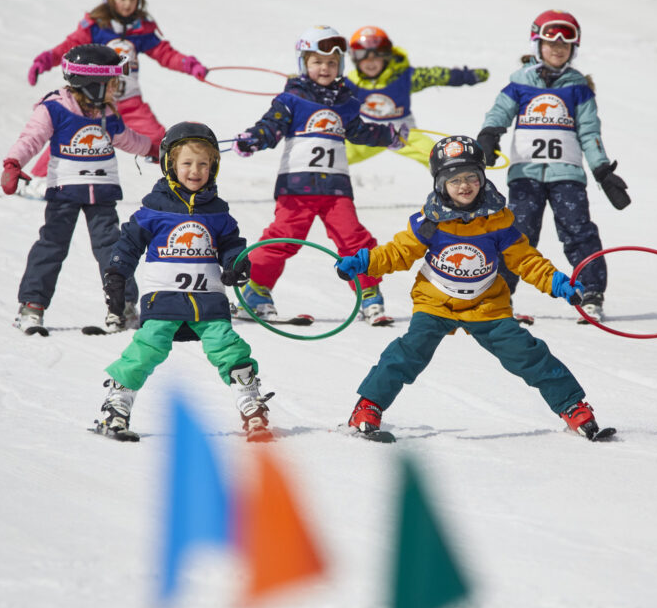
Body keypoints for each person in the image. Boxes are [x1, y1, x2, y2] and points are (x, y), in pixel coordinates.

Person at [334, 135, 614, 441]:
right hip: (436, 302)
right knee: (408, 352)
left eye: (471, 177)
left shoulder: (498, 221)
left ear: (482, 178)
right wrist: (362, 262)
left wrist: (559, 284)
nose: (464, 185)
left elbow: (526, 260)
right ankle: (368, 407)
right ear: (440, 184)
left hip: (486, 304)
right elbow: (396, 253)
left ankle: (573, 407)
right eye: (454, 179)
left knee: (527, 354)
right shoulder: (430, 222)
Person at [94, 122, 274, 442]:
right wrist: (117, 273)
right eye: (187, 163)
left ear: (213, 167)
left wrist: (236, 263)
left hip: (208, 301)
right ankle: (117, 404)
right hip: (164, 299)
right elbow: (128, 244)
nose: (196, 171)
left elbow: (232, 243)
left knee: (228, 347)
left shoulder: (218, 212)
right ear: (170, 165)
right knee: (148, 347)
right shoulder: (154, 209)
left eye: (204, 164)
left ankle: (251, 406)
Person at [232, 25, 406, 326]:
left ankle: (369, 294)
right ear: (304, 64)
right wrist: (252, 139)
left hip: (336, 190)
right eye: (317, 62)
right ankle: (255, 292)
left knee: (354, 239)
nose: (324, 68)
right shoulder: (292, 100)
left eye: (331, 63)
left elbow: (361, 132)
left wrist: (388, 136)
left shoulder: (346, 103)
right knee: (283, 239)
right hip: (297, 189)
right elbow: (270, 127)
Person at [476, 10, 630, 325]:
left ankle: (591, 294)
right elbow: (499, 113)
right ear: (538, 44)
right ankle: (500, 298)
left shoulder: (578, 89)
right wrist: (489, 136)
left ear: (573, 50)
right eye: (550, 43)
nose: (557, 49)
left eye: (564, 45)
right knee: (517, 234)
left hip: (567, 177)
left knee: (578, 231)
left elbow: (590, 133)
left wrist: (602, 171)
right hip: (525, 175)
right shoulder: (520, 83)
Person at [3, 44, 159, 336]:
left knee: (113, 249)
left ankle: (123, 306)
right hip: (64, 192)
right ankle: (31, 306)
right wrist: (13, 163)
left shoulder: (107, 114)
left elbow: (126, 139)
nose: (118, 89)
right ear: (92, 85)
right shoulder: (54, 109)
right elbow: (31, 139)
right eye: (113, 83)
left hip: (101, 194)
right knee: (51, 246)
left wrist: (153, 150)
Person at [23, 0, 207, 196]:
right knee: (69, 135)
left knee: (158, 140)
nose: (128, 4)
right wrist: (45, 60)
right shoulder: (96, 26)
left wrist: (188, 65)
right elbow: (68, 47)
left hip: (130, 102)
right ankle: (36, 180)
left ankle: (183, 183)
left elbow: (164, 53)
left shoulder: (141, 29)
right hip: (94, 100)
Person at [344, 25, 488, 167]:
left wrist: (464, 76)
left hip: (403, 133)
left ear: (387, 55)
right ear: (355, 58)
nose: (370, 63)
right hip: (368, 133)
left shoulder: (404, 77)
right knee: (335, 156)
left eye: (377, 55)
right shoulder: (351, 83)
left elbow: (435, 76)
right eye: (362, 56)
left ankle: (459, 180)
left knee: (438, 157)